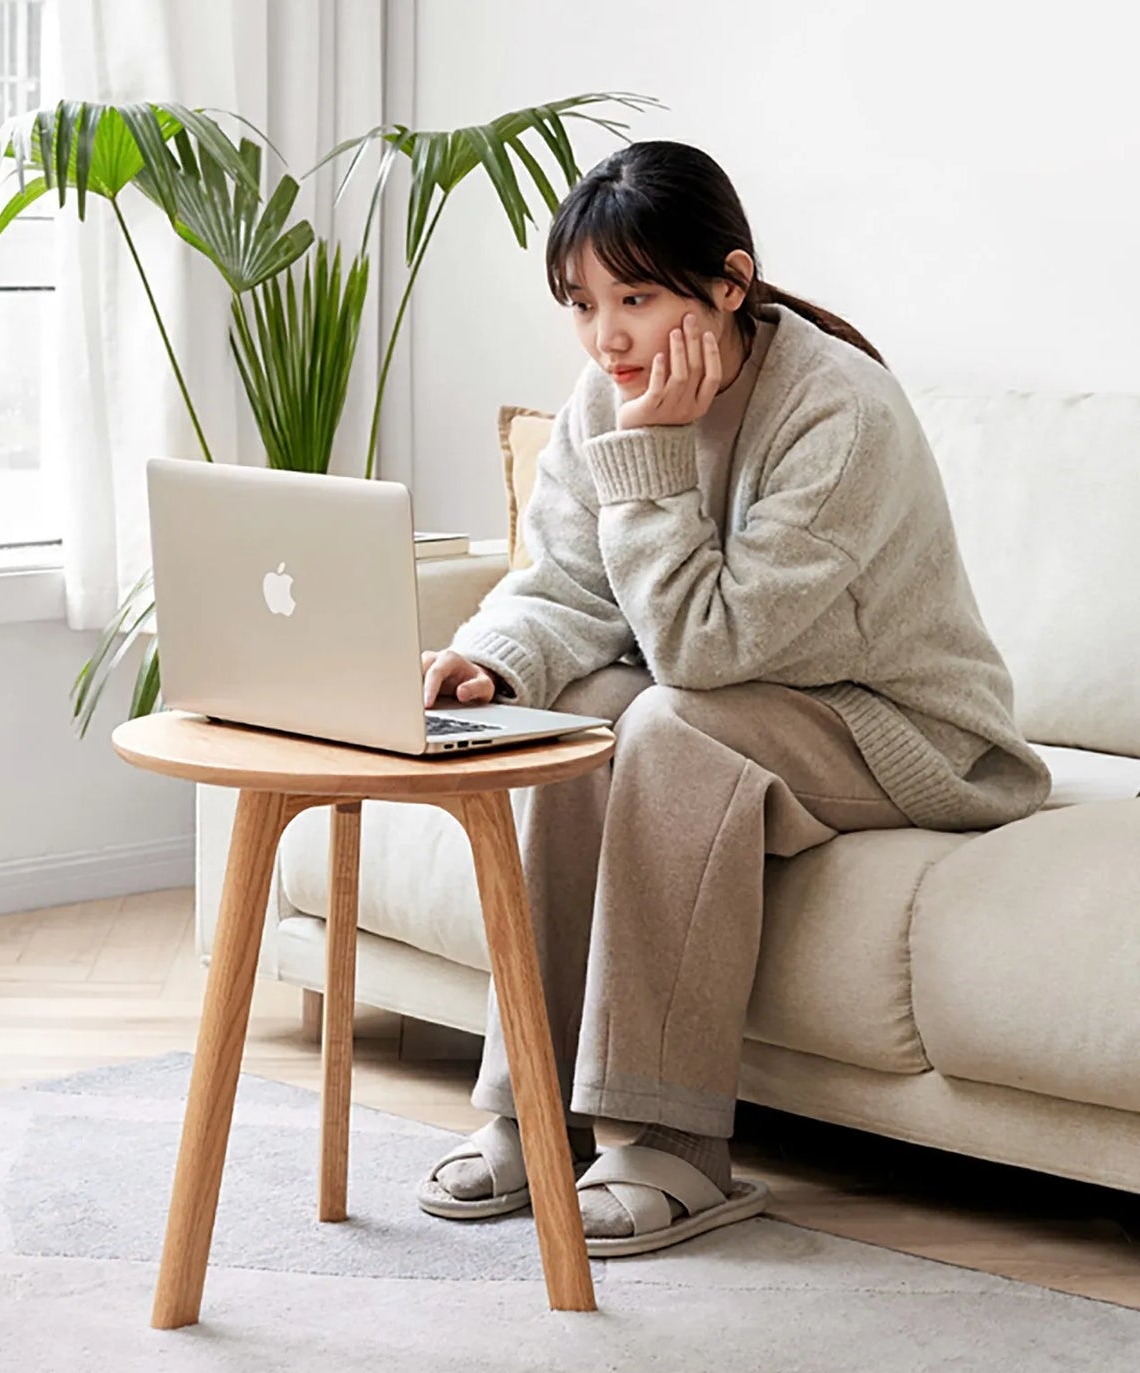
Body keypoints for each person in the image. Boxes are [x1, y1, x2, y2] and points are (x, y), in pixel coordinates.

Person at [414, 139, 1051, 1257]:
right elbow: (563, 578)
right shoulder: (600, 395)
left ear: (728, 283)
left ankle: (667, 1142)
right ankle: (531, 1104)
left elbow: (706, 648)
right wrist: (494, 660)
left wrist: (654, 454)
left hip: (902, 729)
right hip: (744, 701)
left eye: (636, 297)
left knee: (663, 719)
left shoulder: (834, 411)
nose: (605, 336)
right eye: (581, 303)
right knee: (578, 725)